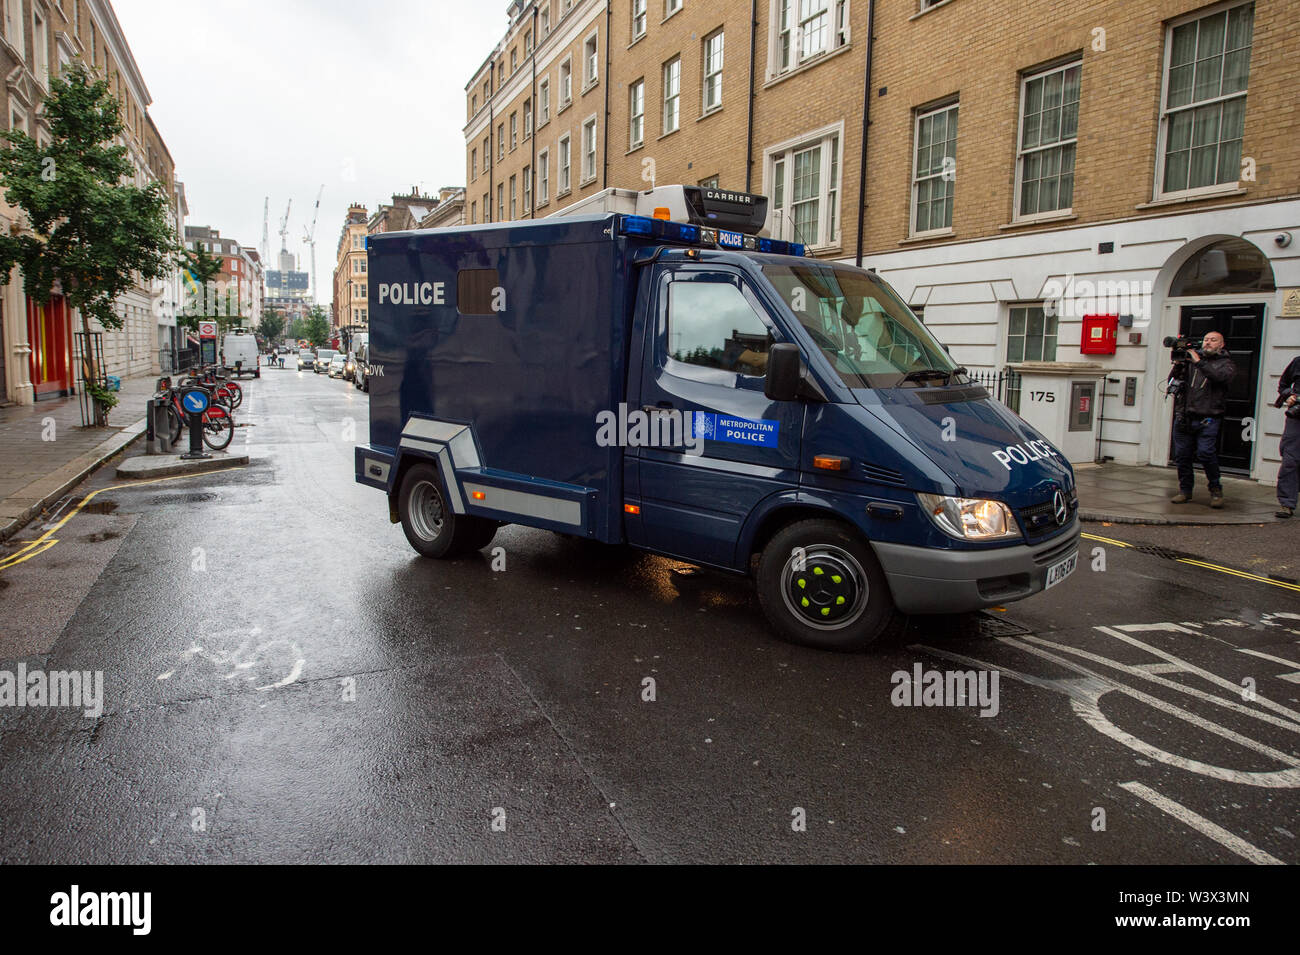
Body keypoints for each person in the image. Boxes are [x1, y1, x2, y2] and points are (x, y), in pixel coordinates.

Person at [1170, 330, 1235, 508]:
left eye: (1213, 340)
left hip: (1209, 417)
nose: (1208, 343)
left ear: (1221, 345)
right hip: (1184, 416)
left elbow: (1219, 378)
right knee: (1182, 456)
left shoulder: (1225, 364)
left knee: (1206, 453)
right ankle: (1185, 491)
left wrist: (1199, 362)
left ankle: (1215, 489)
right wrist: (1178, 364)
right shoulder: (1190, 362)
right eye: (1206, 339)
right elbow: (1172, 382)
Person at [1274, 355, 1300, 519]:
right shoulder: (1298, 361)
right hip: (1296, 419)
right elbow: (1283, 384)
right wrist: (1289, 395)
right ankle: (1287, 503)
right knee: (1290, 460)